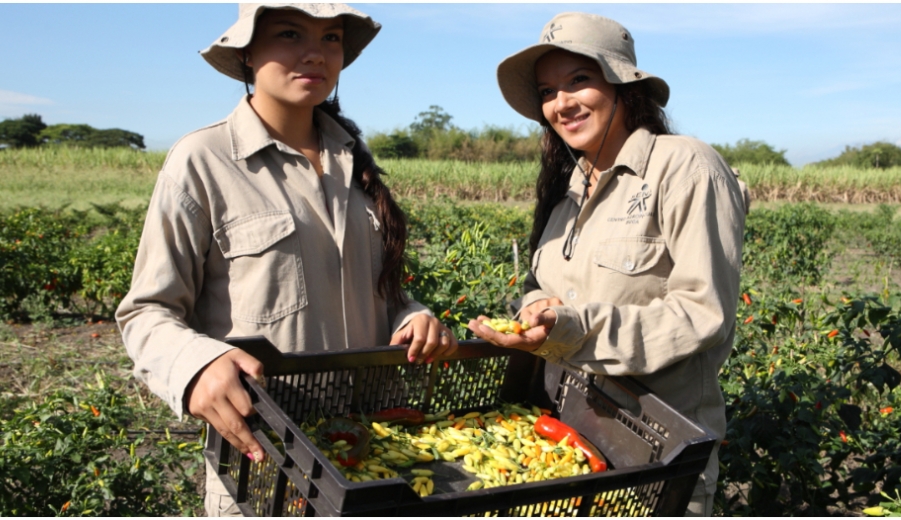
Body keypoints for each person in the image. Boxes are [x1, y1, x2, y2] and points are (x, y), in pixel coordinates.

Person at [115, 3, 456, 516]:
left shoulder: (354, 162)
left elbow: (383, 294)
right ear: (247, 53)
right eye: (291, 34)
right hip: (265, 464)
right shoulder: (203, 161)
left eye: (332, 38)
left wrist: (414, 316)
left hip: (373, 456)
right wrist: (195, 365)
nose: (315, 53)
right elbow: (146, 311)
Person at [468, 12, 745, 516]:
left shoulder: (684, 167)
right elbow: (545, 285)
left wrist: (573, 329)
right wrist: (537, 311)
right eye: (548, 90)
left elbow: (702, 314)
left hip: (656, 448)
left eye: (580, 80)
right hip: (571, 436)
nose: (562, 103)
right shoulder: (567, 189)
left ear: (623, 84)